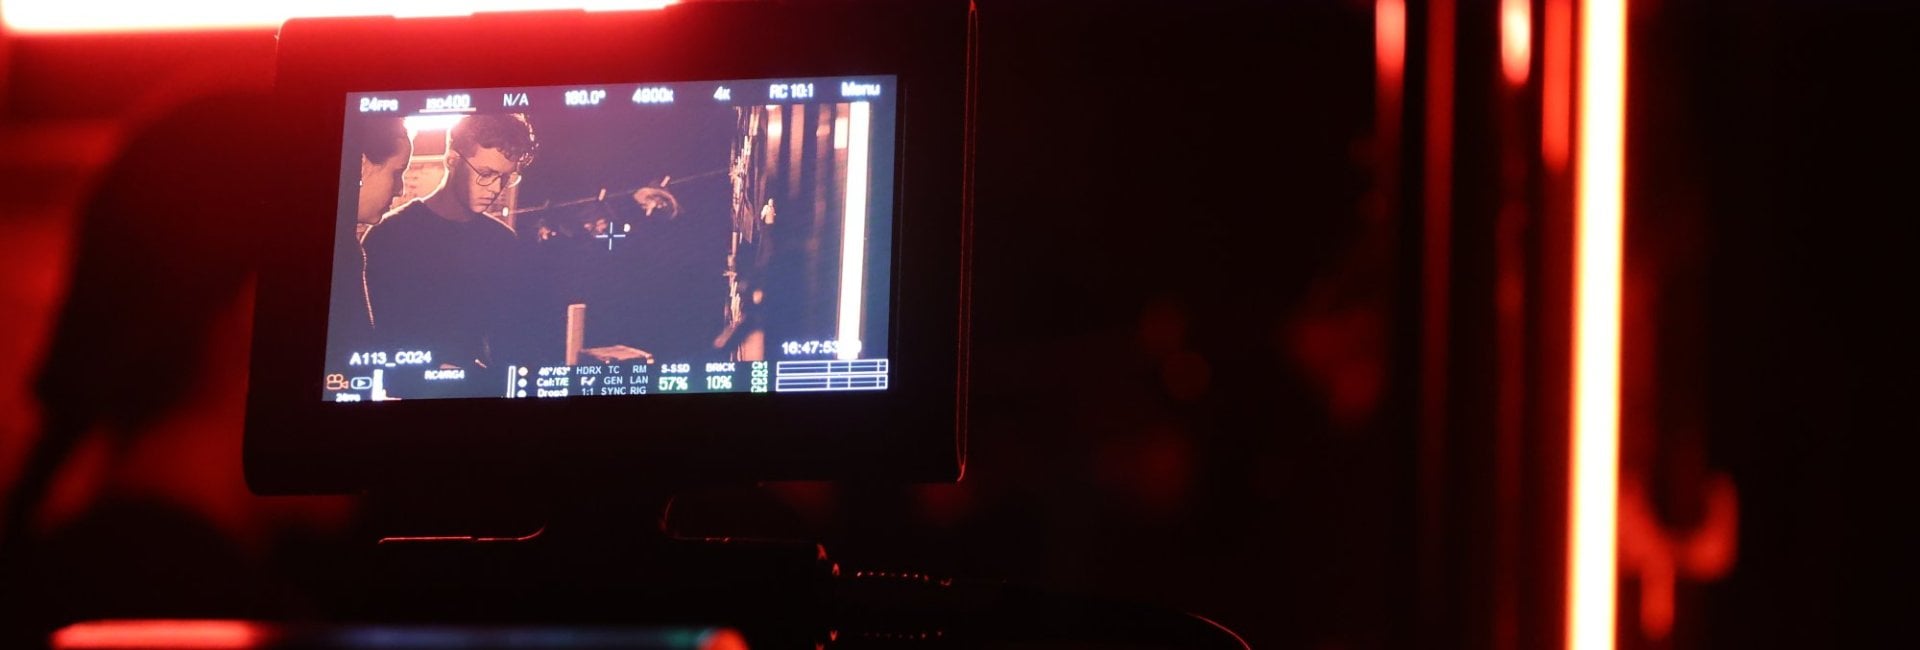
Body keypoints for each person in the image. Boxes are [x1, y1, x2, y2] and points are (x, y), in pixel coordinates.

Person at [361, 113, 536, 373]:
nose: (495, 188)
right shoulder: (388, 236)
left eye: (506, 178)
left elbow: (514, 338)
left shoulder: (504, 243)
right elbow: (370, 343)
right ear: (452, 160)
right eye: (486, 173)